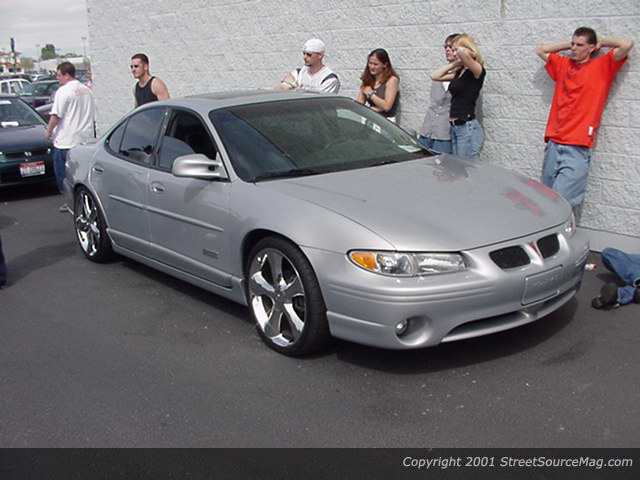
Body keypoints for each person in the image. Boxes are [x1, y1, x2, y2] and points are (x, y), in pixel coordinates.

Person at [536, 27, 634, 209]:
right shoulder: (562, 64)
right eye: (572, 44)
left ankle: (559, 229)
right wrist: (569, 45)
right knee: (546, 199)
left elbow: (627, 44)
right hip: (554, 143)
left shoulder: (602, 67)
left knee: (561, 203)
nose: (573, 48)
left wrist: (602, 41)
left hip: (577, 146)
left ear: (592, 48)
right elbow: (541, 49)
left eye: (579, 45)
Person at [45, 62, 96, 211]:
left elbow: (56, 115)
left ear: (67, 75)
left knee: (64, 176)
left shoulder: (63, 91)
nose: (57, 78)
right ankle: (83, 204)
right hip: (85, 141)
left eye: (59, 75)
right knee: (81, 176)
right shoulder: (87, 91)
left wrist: (48, 132)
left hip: (65, 142)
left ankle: (71, 204)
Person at [431, 33, 486, 160]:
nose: (454, 53)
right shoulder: (459, 72)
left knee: (465, 166)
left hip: (466, 126)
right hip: (455, 127)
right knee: (458, 166)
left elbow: (462, 52)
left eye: (455, 49)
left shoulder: (476, 70)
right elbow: (435, 76)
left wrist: (468, 53)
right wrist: (455, 64)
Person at [418, 33, 460, 153]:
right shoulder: (441, 74)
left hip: (445, 133)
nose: (447, 50)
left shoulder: (464, 76)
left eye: (451, 47)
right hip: (427, 130)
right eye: (445, 47)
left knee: (444, 163)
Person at [356, 48, 400, 122]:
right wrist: (375, 108)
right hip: (370, 119)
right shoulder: (367, 80)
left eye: (376, 64)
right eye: (370, 63)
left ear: (385, 65)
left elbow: (387, 106)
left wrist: (371, 95)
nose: (372, 67)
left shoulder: (392, 80)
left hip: (386, 121)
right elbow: (359, 104)